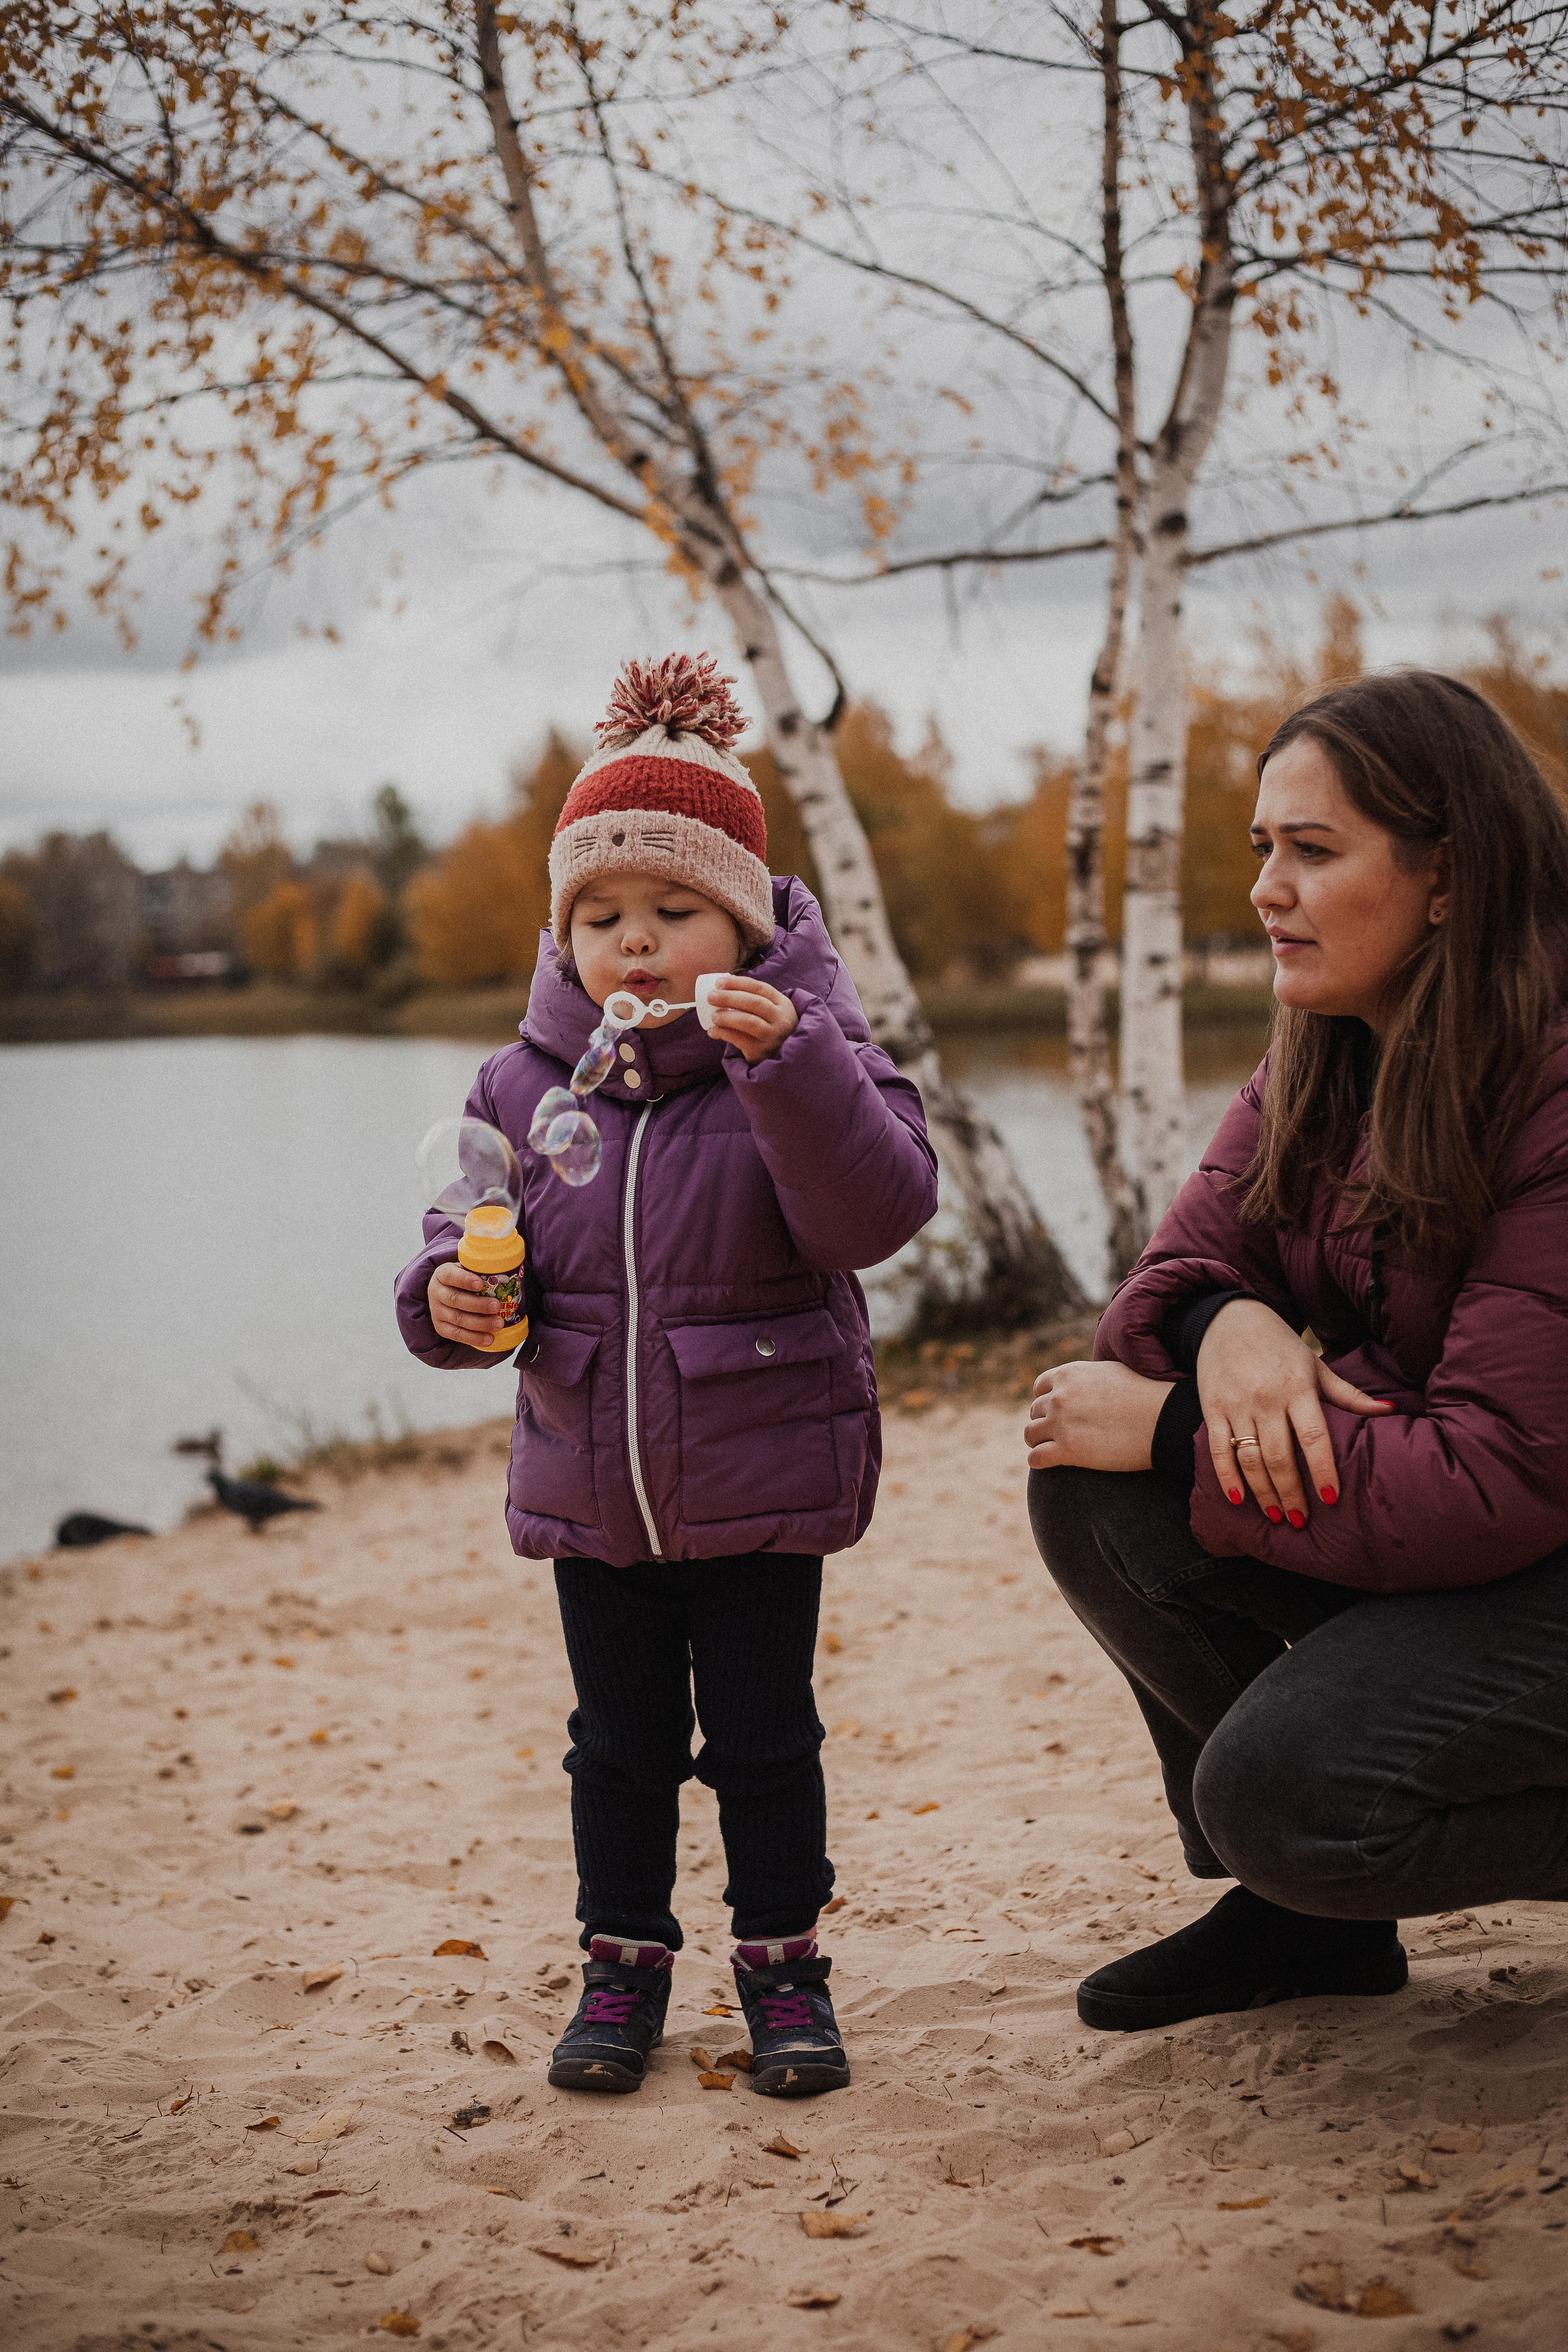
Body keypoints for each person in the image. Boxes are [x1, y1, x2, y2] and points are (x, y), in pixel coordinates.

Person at [395, 652, 938, 2097]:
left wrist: (794, 1069)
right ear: (561, 931)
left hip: (760, 1471)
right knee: (615, 1751)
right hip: (591, 1478)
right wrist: (450, 1299)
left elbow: (872, 1217)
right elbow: (471, 1244)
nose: (634, 944)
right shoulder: (522, 1085)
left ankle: (784, 1976)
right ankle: (621, 1970)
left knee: (765, 1744)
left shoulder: (810, 1051)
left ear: (745, 925)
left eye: (673, 912)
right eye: (602, 917)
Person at [1026, 669, 1568, 2033]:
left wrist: (1172, 1429)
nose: (1266, 887)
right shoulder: (1328, 1052)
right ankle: (1305, 1932)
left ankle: (1302, 1870)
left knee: (1286, 1789)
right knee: (1085, 1480)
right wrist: (1232, 1325)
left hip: (1527, 1528)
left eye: (1312, 852)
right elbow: (1154, 1298)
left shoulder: (1551, 1083)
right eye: (1261, 847)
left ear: (1446, 878)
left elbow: (1491, 1477)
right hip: (1500, 1538)